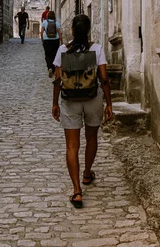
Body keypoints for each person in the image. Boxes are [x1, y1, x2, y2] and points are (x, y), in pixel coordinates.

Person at [52, 14, 113, 209]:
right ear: (88, 31)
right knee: (92, 137)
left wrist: (55, 103)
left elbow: (57, 79)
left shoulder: (63, 49)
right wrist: (109, 103)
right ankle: (87, 172)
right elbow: (103, 78)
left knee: (71, 146)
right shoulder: (96, 49)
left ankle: (77, 191)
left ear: (71, 30)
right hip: (92, 98)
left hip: (70, 101)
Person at [40, 10, 63, 78]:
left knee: (47, 55)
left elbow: (41, 33)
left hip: (47, 40)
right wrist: (62, 41)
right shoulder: (57, 23)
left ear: (47, 16)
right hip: (55, 40)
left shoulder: (44, 22)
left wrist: (42, 41)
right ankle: (53, 69)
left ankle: (49, 67)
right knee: (54, 54)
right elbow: (59, 33)